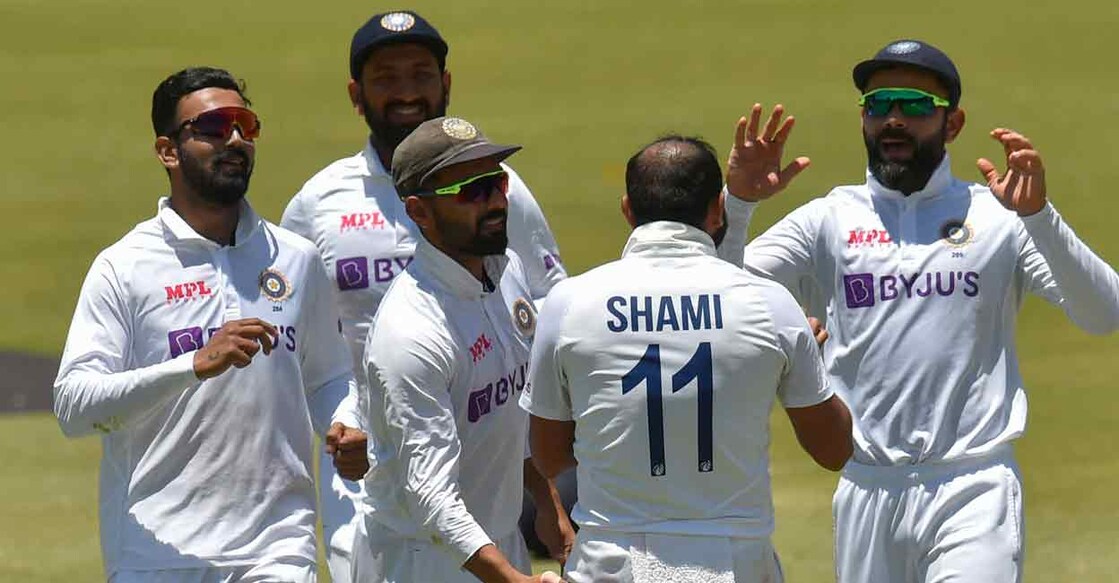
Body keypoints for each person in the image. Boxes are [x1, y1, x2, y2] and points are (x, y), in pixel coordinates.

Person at [723, 40, 1119, 582]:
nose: (893, 120)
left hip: (973, 484)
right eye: (879, 104)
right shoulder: (828, 219)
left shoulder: (999, 217)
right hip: (867, 487)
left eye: (913, 105)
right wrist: (738, 205)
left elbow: (1104, 312)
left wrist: (1039, 216)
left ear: (952, 124)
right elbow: (713, 296)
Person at [279, 12, 569, 579]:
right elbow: (296, 344)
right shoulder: (318, 206)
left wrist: (549, 501)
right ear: (356, 94)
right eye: (387, 77)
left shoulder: (498, 252)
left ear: (446, 82)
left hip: (490, 501)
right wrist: (344, 421)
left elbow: (542, 330)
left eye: (421, 73)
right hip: (378, 492)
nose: (408, 91)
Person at [52, 67, 366, 582]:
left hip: (277, 548)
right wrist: (192, 366)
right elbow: (73, 406)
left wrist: (346, 422)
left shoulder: (296, 259)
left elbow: (330, 376)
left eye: (245, 125)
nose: (236, 139)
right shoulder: (125, 266)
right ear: (168, 150)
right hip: (156, 553)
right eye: (215, 127)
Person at [519, 135, 852, 583]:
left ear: (627, 210)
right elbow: (834, 450)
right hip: (738, 563)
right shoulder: (770, 305)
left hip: (612, 562)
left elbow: (549, 454)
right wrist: (802, 360)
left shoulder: (569, 302)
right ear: (718, 210)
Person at [355, 116, 570, 583]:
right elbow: (431, 498)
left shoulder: (505, 270)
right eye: (472, 191)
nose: (494, 201)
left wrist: (546, 502)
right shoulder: (411, 335)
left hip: (492, 542)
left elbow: (509, 409)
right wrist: (514, 581)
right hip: (419, 561)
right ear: (419, 211)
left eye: (495, 182)